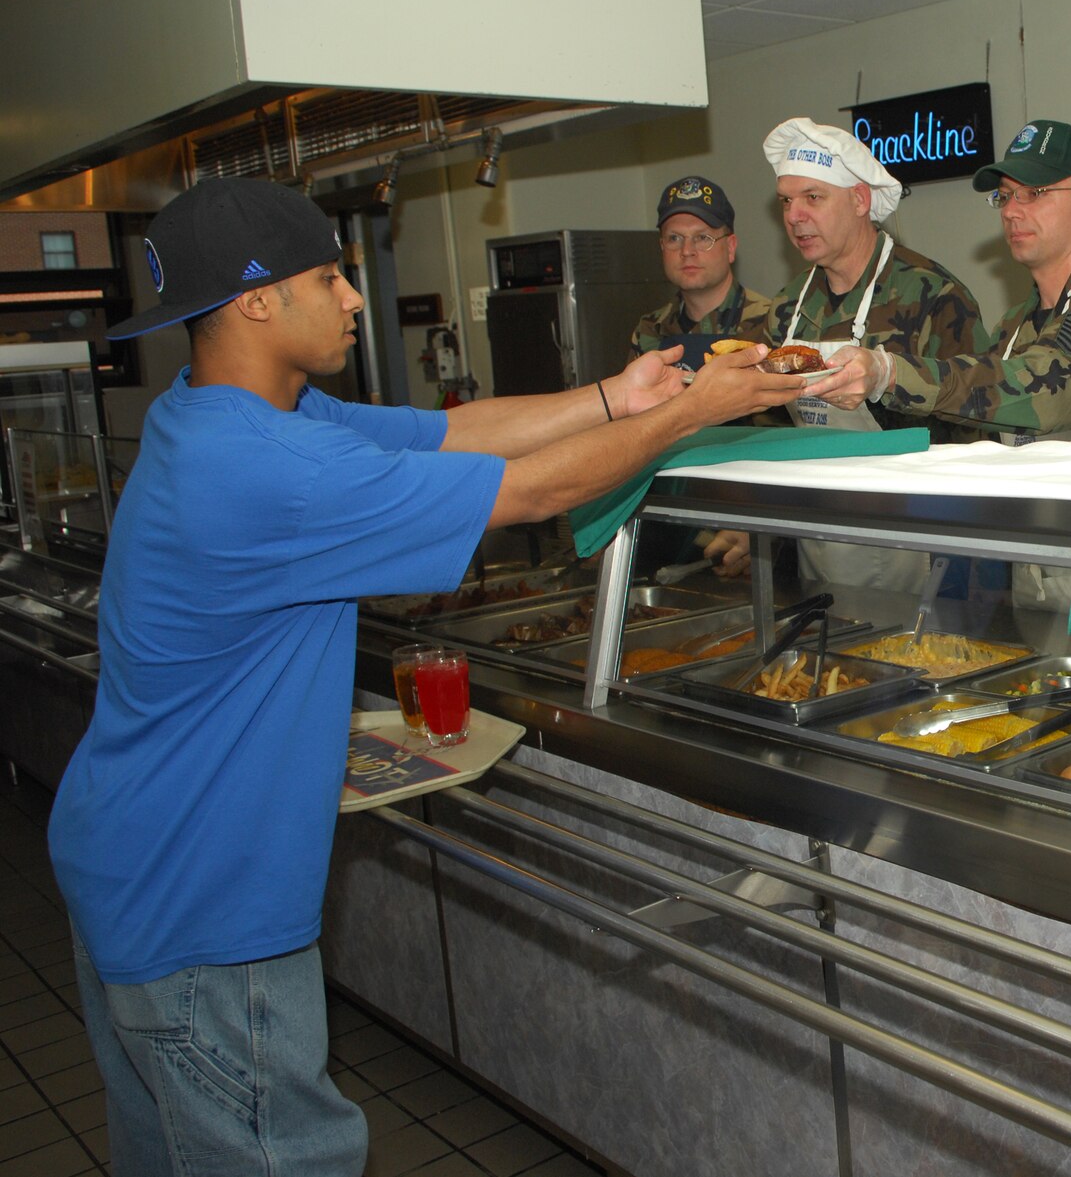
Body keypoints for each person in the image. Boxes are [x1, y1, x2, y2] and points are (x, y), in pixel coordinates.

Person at [47, 178, 808, 1174]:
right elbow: (527, 491)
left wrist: (618, 398)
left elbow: (453, 431)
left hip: (131, 857)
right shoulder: (263, 468)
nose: (355, 297)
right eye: (328, 278)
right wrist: (694, 413)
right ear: (258, 300)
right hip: (202, 900)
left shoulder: (221, 414)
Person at [817, 118, 1071, 632]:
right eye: (1005, 196)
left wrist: (890, 372)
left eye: (1035, 193)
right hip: (1045, 567)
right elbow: (978, 429)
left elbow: (1049, 393)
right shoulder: (1017, 326)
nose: (1013, 210)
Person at [706, 117, 988, 589]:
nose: (794, 216)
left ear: (860, 200)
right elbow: (772, 432)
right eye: (786, 201)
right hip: (822, 538)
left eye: (813, 198)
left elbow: (974, 437)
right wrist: (753, 516)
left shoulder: (933, 297)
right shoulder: (789, 307)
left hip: (921, 541)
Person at [630, 174, 773, 355]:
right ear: (662, 247)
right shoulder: (649, 331)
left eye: (702, 238)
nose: (687, 251)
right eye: (674, 238)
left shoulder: (771, 323)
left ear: (730, 247)